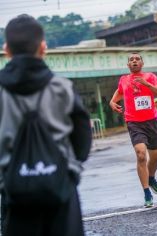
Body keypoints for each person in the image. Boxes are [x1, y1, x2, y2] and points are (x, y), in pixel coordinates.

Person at [0, 14, 92, 235]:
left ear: (7, 50)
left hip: (14, 192)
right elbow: (82, 141)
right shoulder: (63, 88)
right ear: (43, 48)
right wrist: (71, 166)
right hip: (61, 189)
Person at [109, 52, 157, 208]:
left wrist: (147, 84)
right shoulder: (124, 80)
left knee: (155, 157)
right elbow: (119, 92)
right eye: (131, 60)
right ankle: (147, 192)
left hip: (151, 121)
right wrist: (112, 102)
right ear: (128, 65)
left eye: (137, 59)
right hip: (134, 122)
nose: (134, 61)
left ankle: (152, 177)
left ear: (142, 63)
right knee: (141, 155)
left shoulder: (151, 77)